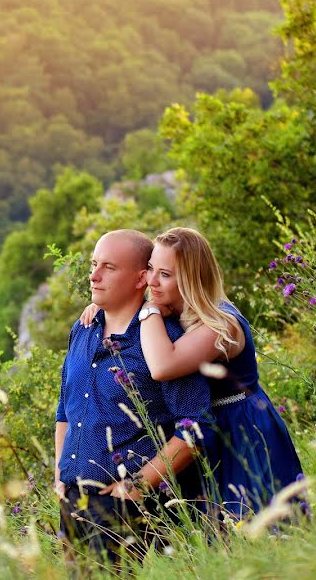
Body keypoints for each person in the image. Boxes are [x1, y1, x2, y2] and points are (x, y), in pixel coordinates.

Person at [80, 227, 303, 518]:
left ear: (191, 278)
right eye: (150, 269)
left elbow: (162, 366)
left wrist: (147, 311)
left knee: (258, 523)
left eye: (166, 274)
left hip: (240, 431)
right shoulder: (174, 311)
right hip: (199, 432)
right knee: (215, 536)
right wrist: (107, 307)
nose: (153, 282)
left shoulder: (220, 324)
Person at [55, 229, 213, 563]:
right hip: (72, 501)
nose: (94, 276)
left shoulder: (163, 342)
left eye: (109, 267)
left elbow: (195, 429)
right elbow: (65, 412)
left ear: (142, 278)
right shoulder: (81, 329)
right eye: (94, 264)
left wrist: (138, 487)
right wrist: (60, 477)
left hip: (127, 507)